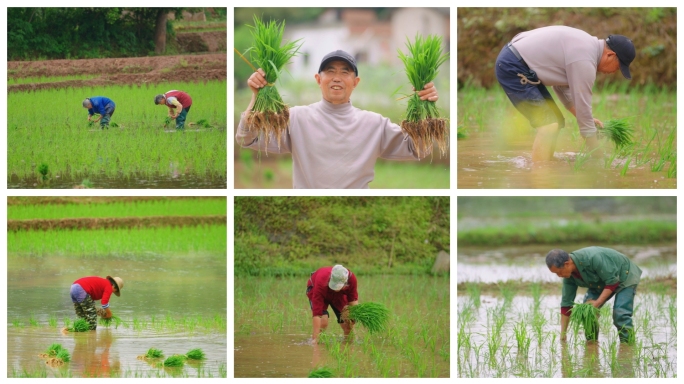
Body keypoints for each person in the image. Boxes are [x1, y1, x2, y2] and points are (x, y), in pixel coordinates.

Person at [236, 50, 440, 188]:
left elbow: (419, 149)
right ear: (318, 79)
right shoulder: (296, 118)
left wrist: (426, 104)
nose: (336, 77)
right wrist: (257, 95)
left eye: (345, 72)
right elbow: (247, 138)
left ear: (355, 82)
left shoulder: (374, 124)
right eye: (330, 71)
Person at [495, 26, 636, 161]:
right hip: (513, 65)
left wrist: (582, 117)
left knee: (556, 122)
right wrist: (599, 158)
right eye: (618, 67)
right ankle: (539, 176)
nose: (614, 72)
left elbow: (560, 87)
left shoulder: (586, 47)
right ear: (610, 55)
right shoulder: (585, 60)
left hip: (517, 60)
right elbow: (585, 119)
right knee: (548, 125)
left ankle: (546, 164)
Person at [545, 247, 641, 343]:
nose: (559, 276)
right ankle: (592, 347)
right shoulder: (569, 276)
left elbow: (612, 282)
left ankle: (628, 346)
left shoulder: (593, 258)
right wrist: (563, 334)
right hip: (600, 281)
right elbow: (566, 305)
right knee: (587, 313)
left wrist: (597, 303)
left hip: (625, 275)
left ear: (567, 264)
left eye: (559, 272)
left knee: (620, 314)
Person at [306, 264, 358, 343]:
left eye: (338, 286)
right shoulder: (321, 280)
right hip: (319, 289)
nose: (335, 288)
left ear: (346, 282)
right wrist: (315, 341)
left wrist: (354, 317)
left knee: (347, 324)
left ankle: (349, 346)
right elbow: (317, 312)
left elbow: (352, 299)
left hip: (339, 295)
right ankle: (315, 341)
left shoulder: (351, 279)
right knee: (323, 322)